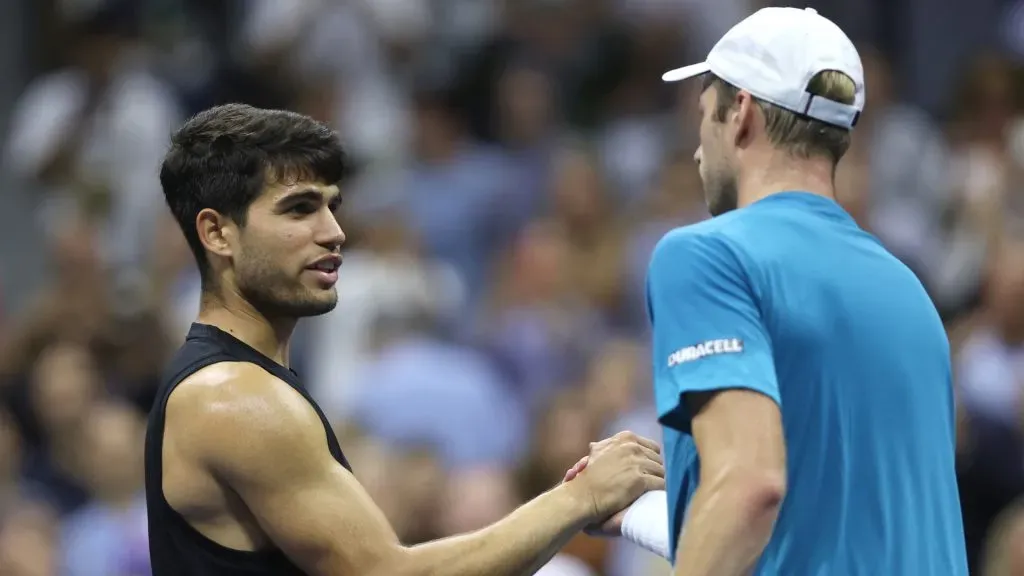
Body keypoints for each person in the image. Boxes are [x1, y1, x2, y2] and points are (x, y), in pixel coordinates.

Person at [144, 103, 665, 576]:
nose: (334, 231)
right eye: (300, 209)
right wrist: (580, 498)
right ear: (217, 234)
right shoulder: (234, 397)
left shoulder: (244, 383)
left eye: (332, 206)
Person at [568, 6, 969, 576]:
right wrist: (636, 513)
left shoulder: (706, 255)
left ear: (741, 115)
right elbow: (815, 529)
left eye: (703, 116)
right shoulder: (909, 292)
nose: (696, 150)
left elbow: (749, 488)